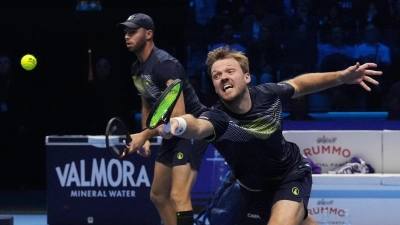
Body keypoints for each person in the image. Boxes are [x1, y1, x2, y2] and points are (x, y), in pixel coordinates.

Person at [157, 47, 382, 225]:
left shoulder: (268, 96)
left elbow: (300, 84)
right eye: (217, 76)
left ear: (246, 77)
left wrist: (341, 77)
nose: (223, 77)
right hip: (256, 192)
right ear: (215, 87)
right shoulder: (217, 118)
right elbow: (195, 126)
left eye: (229, 71)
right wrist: (174, 124)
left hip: (290, 174)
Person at [116, 13, 208, 225]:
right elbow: (147, 102)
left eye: (132, 32)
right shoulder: (136, 69)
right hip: (170, 133)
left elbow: (178, 117)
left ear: (149, 34)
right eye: (125, 33)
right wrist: (146, 137)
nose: (127, 36)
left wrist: (144, 134)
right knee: (158, 195)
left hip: (192, 128)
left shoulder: (165, 64)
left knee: (178, 195)